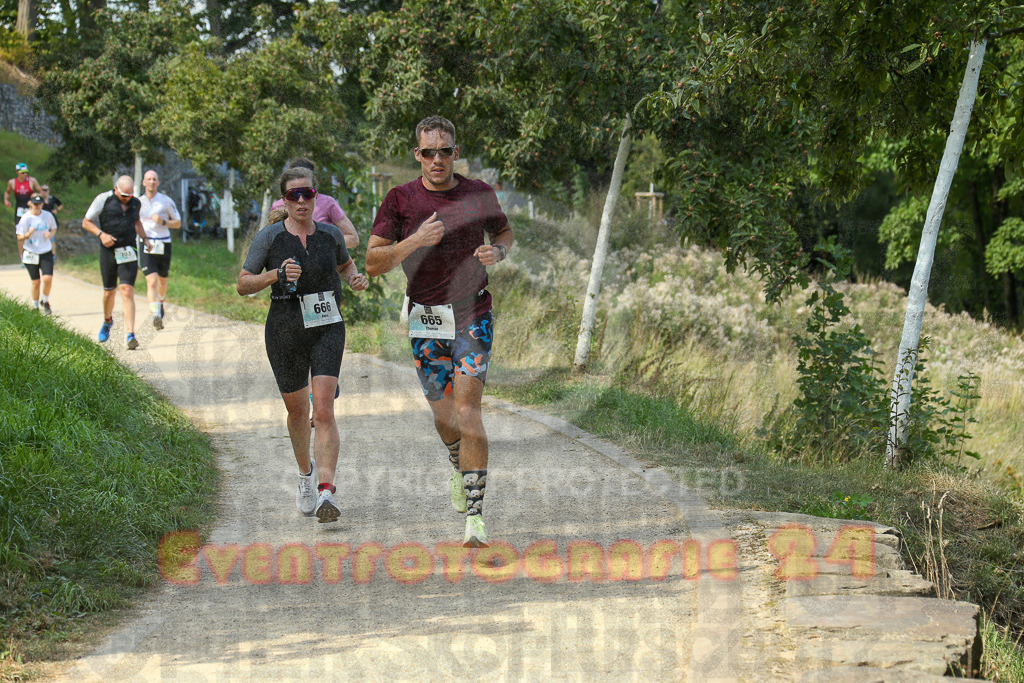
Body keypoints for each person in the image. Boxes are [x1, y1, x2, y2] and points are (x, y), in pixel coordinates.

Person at [366, 115, 514, 548]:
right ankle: (457, 462)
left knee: (468, 411)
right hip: (426, 317)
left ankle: (475, 517)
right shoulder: (400, 199)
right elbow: (373, 263)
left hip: (472, 313)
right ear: (418, 154)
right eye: (428, 152)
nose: (437, 159)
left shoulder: (477, 193)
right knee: (445, 416)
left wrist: (498, 251)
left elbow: (504, 231)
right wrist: (415, 240)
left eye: (444, 151)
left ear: (455, 153)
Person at [237, 167, 369, 523]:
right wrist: (275, 274)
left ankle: (326, 490)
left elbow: (345, 264)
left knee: (323, 410)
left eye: (306, 194)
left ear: (315, 196)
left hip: (328, 325)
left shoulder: (330, 234)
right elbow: (243, 283)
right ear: (284, 200)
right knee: (298, 413)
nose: (300, 201)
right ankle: (305, 474)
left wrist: (354, 278)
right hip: (285, 329)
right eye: (293, 195)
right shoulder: (269, 237)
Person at [81, 175, 152, 350]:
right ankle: (107, 321)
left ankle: (130, 334)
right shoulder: (103, 200)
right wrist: (101, 234)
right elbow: (86, 222)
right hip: (109, 251)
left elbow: (137, 222)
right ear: (116, 190)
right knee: (109, 292)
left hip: (128, 250)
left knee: (127, 290)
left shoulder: (136, 203)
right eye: (123, 196)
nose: (127, 199)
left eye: (130, 195)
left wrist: (145, 239)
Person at [270, 157, 360, 249]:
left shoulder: (327, 203)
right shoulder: (278, 206)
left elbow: (353, 238)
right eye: (294, 193)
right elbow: (269, 241)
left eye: (306, 191)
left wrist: (321, 245)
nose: (301, 200)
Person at [138, 170, 182, 330]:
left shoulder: (166, 201)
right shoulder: (138, 202)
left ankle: (161, 301)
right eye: (148, 179)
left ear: (158, 182)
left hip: (163, 243)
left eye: (154, 179)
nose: (151, 182)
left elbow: (178, 223)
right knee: (151, 281)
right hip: (146, 243)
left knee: (162, 281)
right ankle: (156, 315)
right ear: (143, 182)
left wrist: (163, 222)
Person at [15, 194, 58, 315]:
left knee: (47, 278)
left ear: (42, 205)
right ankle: (35, 307)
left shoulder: (48, 215)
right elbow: (19, 237)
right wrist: (28, 234)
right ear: (30, 204)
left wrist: (50, 234)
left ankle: (45, 300)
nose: (37, 206)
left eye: (39, 204)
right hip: (31, 252)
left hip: (45, 251)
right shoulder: (26, 218)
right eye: (35, 204)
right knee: (36, 282)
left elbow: (54, 228)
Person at [4, 163, 43, 229]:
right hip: (19, 209)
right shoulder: (12, 182)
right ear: (17, 172)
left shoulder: (32, 180)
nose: (25, 174)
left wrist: (36, 198)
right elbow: (7, 192)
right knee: (19, 229)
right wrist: (6, 200)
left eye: (26, 172)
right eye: (22, 172)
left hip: (31, 208)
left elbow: (41, 191)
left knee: (31, 229)